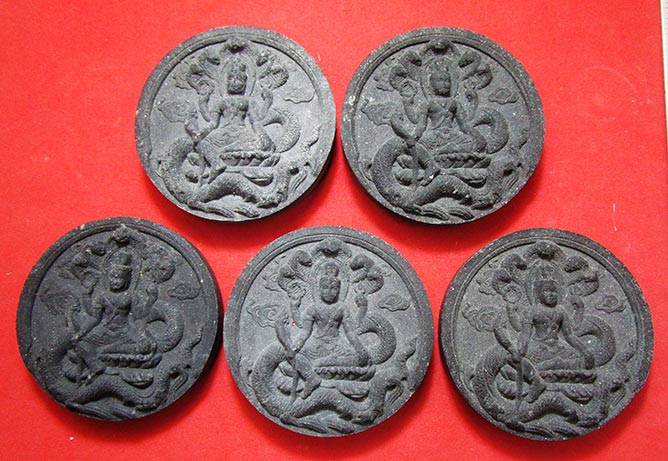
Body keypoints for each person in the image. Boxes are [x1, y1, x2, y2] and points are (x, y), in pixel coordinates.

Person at [274, 262, 370, 399]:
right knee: (291, 355)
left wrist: (359, 347)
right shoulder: (313, 308)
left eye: (334, 288)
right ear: (319, 289)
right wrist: (297, 345)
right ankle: (312, 377)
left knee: (362, 359)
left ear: (339, 290)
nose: (329, 292)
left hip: (337, 346)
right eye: (325, 288)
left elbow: (350, 331)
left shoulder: (342, 308)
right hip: (315, 346)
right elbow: (305, 331)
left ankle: (313, 371)